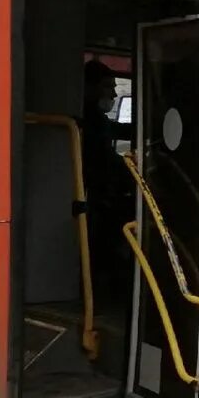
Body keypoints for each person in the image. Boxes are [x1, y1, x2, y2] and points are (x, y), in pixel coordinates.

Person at [80, 59, 132, 300]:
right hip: (96, 195)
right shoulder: (92, 120)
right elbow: (105, 158)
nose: (112, 93)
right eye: (107, 87)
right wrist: (132, 170)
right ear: (90, 87)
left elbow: (118, 131)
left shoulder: (94, 118)